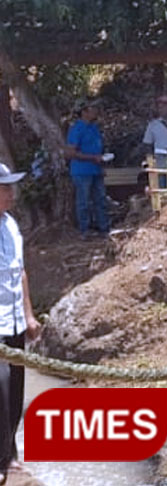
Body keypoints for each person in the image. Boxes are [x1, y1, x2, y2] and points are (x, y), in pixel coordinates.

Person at [0, 163, 42, 480]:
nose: (12, 193)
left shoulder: (11, 225)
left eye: (12, 187)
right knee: (0, 389)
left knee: (15, 390)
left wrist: (29, 315)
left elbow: (21, 273)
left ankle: (10, 455)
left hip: (14, 322)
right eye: (5, 188)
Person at [65, 100, 111, 238]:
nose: (95, 111)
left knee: (101, 199)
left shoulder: (94, 128)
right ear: (84, 112)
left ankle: (104, 228)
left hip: (96, 169)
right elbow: (70, 153)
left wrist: (101, 163)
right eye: (92, 108)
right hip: (81, 171)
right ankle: (84, 230)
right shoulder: (76, 129)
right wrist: (92, 158)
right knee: (83, 201)